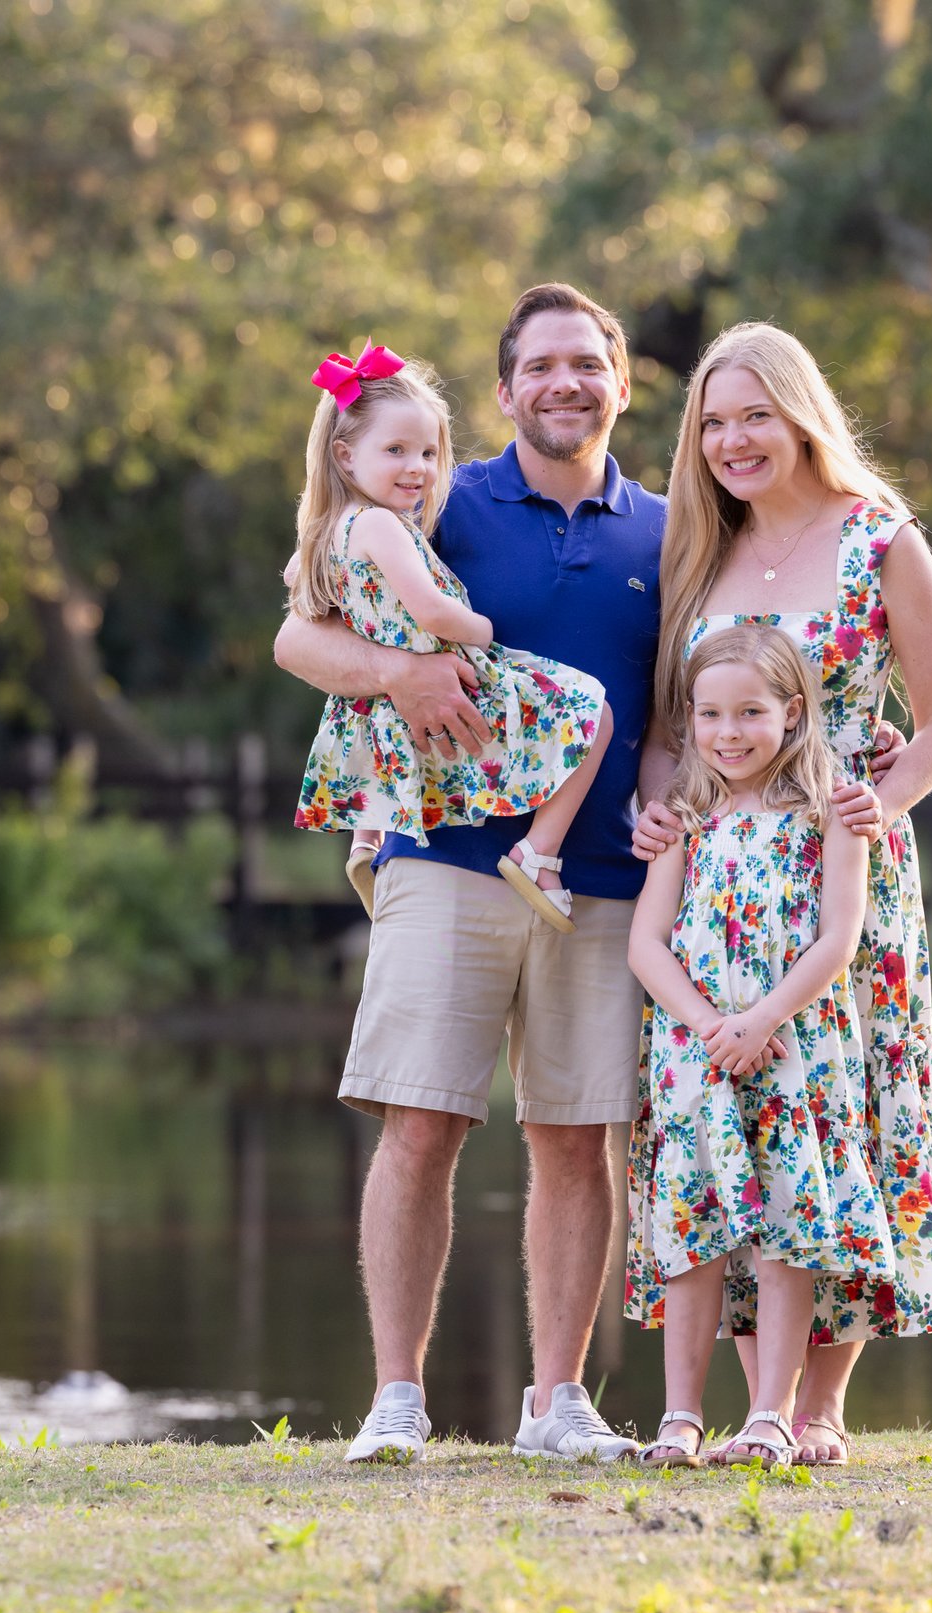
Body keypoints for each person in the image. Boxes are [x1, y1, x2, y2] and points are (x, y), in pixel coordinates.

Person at [274, 282, 667, 1464]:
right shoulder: (436, 495)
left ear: (621, 383)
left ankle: (556, 1402)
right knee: (421, 1124)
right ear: (506, 391)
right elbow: (299, 634)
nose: (564, 384)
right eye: (540, 366)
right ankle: (396, 1398)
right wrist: (393, 676)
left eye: (586, 364)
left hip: (598, 872)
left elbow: (701, 689)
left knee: (574, 1134)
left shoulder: (667, 526)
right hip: (440, 857)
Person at [633, 321, 932, 1468]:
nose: (732, 440)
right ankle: (747, 1404)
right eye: (712, 422)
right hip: (713, 884)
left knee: (840, 1116)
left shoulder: (880, 539)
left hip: (838, 877)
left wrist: (887, 804)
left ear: (799, 414)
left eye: (752, 416)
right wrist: (655, 805)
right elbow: (675, 725)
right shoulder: (695, 549)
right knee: (732, 1126)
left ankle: (814, 1402)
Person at [624, 624, 873, 1468]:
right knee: (693, 1234)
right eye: (710, 714)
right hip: (696, 1056)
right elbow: (646, 945)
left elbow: (839, 938)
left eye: (751, 713)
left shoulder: (830, 811)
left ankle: (772, 1414)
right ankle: (680, 1417)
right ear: (689, 720)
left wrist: (762, 1020)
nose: (729, 732)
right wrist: (708, 1028)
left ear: (793, 713)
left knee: (785, 1230)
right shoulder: (685, 817)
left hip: (791, 1049)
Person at [288, 340, 612, 930]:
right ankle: (538, 853)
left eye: (428, 453)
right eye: (397, 451)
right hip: (451, 672)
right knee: (596, 713)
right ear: (345, 456)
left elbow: (301, 586)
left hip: (376, 712)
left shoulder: (325, 533)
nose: (418, 467)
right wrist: (482, 628)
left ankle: (368, 839)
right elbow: (432, 613)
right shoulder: (385, 525)